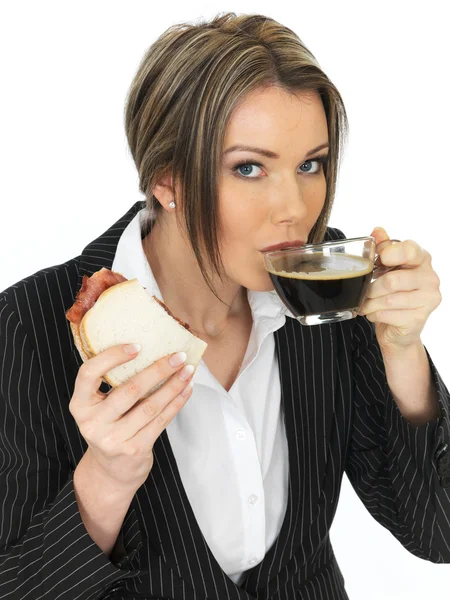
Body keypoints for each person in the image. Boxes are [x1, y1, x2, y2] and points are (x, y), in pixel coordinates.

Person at [0, 11, 449, 600]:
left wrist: (403, 352)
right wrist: (107, 480)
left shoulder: (333, 287)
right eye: (249, 168)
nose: (293, 208)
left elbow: (436, 531)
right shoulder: (25, 329)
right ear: (166, 179)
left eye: (310, 164)